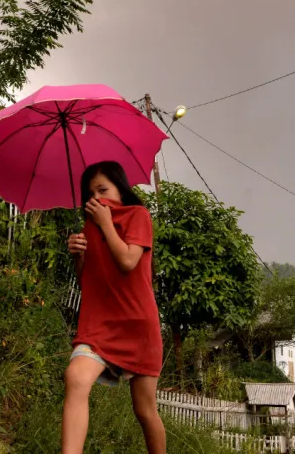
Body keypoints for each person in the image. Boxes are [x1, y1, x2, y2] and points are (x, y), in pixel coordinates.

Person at [63, 161, 165, 454]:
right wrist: (78, 255)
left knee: (144, 411)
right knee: (75, 377)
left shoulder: (138, 215)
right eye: (90, 193)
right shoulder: (89, 225)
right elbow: (88, 283)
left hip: (138, 326)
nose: (96, 198)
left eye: (103, 189)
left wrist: (107, 225)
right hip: (99, 325)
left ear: (121, 190)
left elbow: (128, 261)